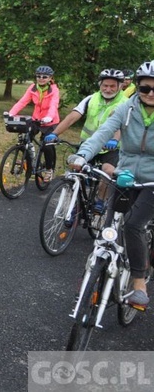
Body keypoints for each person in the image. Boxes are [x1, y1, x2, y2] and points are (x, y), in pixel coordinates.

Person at [67, 61, 154, 309]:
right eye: (145, 88)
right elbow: (103, 132)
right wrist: (83, 155)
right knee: (109, 228)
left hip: (152, 180)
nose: (150, 94)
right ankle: (90, 277)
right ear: (137, 87)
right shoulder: (127, 109)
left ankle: (139, 283)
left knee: (134, 225)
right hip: (125, 175)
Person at [44, 69, 126, 212]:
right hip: (88, 146)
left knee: (108, 171)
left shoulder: (125, 103)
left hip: (112, 148)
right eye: (105, 85)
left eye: (112, 86)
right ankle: (74, 203)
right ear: (100, 84)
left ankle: (100, 200)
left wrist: (114, 139)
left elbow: (119, 123)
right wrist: (55, 133)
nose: (108, 89)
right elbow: (73, 117)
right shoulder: (91, 99)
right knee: (75, 169)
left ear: (120, 86)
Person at [6, 65, 60, 181]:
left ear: (50, 78)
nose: (41, 78)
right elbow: (23, 101)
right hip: (36, 118)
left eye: (44, 77)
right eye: (38, 76)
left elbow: (53, 105)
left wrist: (49, 117)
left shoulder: (54, 90)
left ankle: (49, 170)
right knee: (27, 137)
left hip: (50, 121)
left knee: (47, 145)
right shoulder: (32, 88)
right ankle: (28, 158)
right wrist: (11, 113)